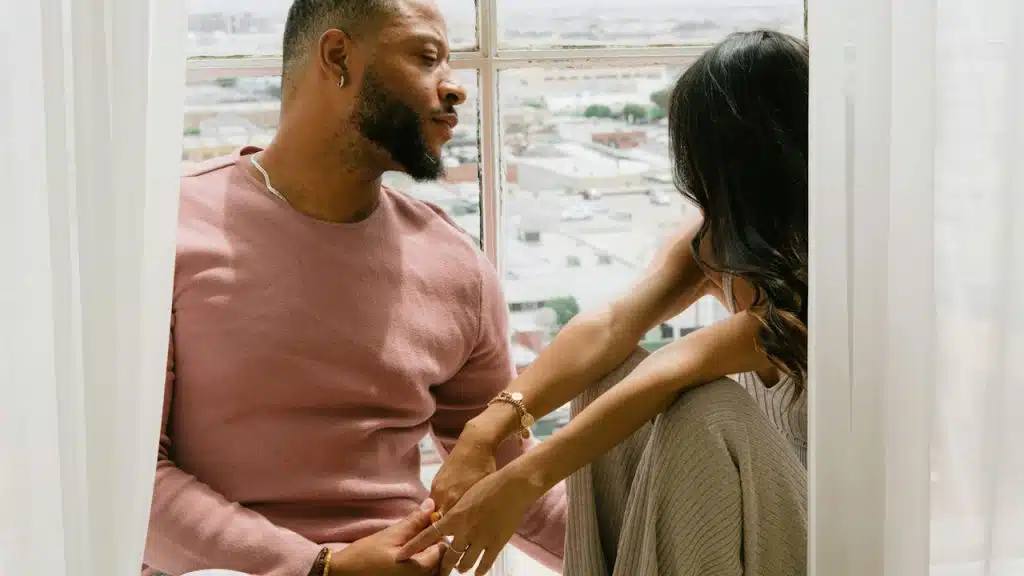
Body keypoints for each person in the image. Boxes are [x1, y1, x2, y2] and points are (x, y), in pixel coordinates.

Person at [142, 1, 567, 575]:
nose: (455, 88)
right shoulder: (165, 231)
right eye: (427, 58)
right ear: (339, 57)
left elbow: (511, 485)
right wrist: (321, 568)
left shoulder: (455, 264)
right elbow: (126, 480)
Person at [398, 30, 810, 576]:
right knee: (606, 375)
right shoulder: (719, 243)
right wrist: (485, 429)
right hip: (751, 514)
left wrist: (522, 480)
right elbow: (610, 326)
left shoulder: (831, 278)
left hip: (820, 533)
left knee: (707, 414)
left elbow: (677, 367)